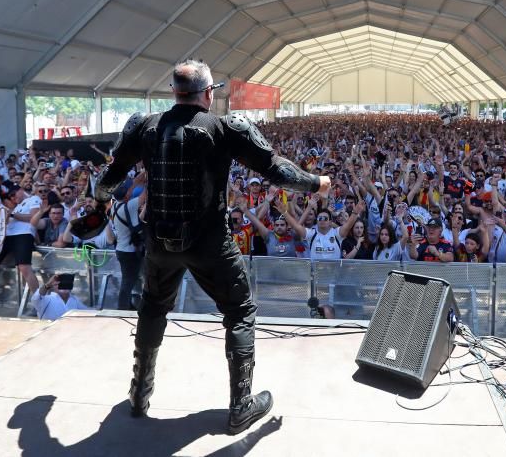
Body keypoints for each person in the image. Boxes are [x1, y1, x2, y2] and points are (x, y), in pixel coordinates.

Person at [93, 60, 331, 434]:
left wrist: (99, 200)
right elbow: (275, 170)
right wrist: (316, 183)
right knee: (239, 311)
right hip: (210, 242)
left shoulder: (145, 126)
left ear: (174, 92)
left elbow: (109, 178)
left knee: (153, 307)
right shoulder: (224, 128)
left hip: (159, 241)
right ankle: (241, 406)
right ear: (208, 93)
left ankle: (140, 393)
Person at [0, 186, 41, 312]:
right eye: (10, 196)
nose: (13, 197)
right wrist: (6, 217)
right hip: (5, 236)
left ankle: (39, 303)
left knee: (24, 268)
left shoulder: (33, 199)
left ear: (21, 190)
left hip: (23, 235)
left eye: (14, 194)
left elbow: (34, 217)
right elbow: (4, 224)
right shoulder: (15, 207)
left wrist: (13, 214)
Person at [111, 183, 145, 310]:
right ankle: (123, 308)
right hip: (129, 251)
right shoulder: (129, 206)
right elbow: (144, 196)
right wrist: (146, 179)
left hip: (121, 249)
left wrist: (137, 181)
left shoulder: (114, 206)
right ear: (126, 195)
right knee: (128, 281)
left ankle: (127, 305)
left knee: (128, 279)